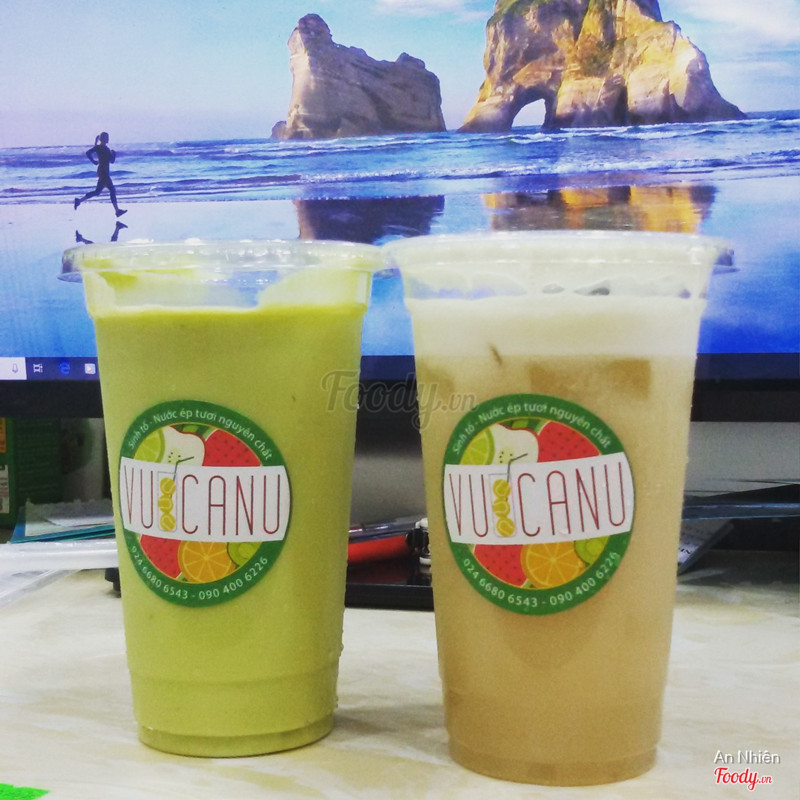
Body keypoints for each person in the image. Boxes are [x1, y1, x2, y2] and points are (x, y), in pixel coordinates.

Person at [74, 132, 126, 217]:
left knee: (97, 192)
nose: (108, 139)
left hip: (103, 171)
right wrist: (94, 161)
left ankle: (79, 201)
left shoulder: (104, 148)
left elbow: (111, 161)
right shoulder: (102, 148)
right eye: (107, 137)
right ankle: (117, 211)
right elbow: (88, 153)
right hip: (103, 172)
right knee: (112, 190)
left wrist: (113, 154)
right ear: (103, 139)